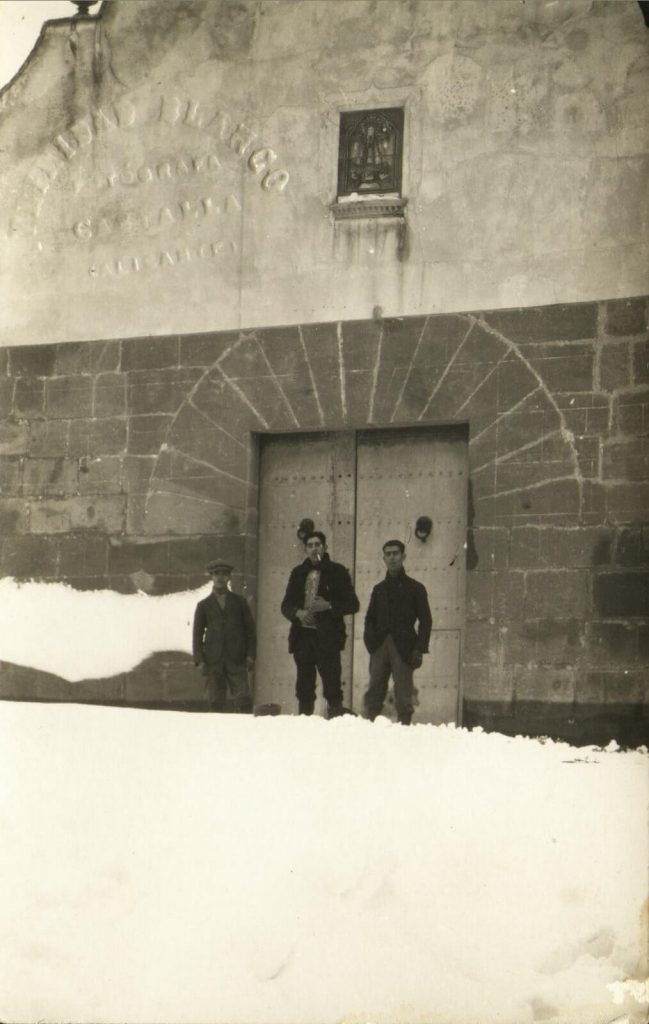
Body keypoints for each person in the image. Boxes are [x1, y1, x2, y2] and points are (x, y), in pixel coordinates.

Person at [281, 530, 359, 718]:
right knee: (304, 686)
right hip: (303, 638)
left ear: (324, 547)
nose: (314, 548)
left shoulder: (338, 572)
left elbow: (353, 604)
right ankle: (305, 723)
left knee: (332, 683)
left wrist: (329, 605)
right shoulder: (298, 573)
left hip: (328, 638)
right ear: (305, 549)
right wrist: (298, 613)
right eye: (310, 545)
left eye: (317, 544)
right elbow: (285, 605)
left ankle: (335, 722)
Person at [363, 539, 432, 725]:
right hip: (380, 646)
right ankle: (371, 730)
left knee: (403, 693)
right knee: (375, 689)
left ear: (403, 557)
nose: (392, 557)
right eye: (388, 554)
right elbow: (369, 619)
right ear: (383, 558)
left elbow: (426, 621)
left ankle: (404, 731)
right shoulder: (379, 590)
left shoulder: (416, 588)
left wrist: (419, 648)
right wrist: (371, 644)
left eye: (396, 553)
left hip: (404, 647)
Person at [193, 559, 256, 713]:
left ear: (229, 577)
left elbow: (250, 630)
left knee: (244, 700)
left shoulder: (239, 602)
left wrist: (250, 656)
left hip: (237, 658)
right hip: (214, 660)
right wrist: (200, 660)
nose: (220, 578)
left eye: (224, 574)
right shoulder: (204, 605)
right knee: (215, 702)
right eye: (216, 574)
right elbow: (197, 634)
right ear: (211, 577)